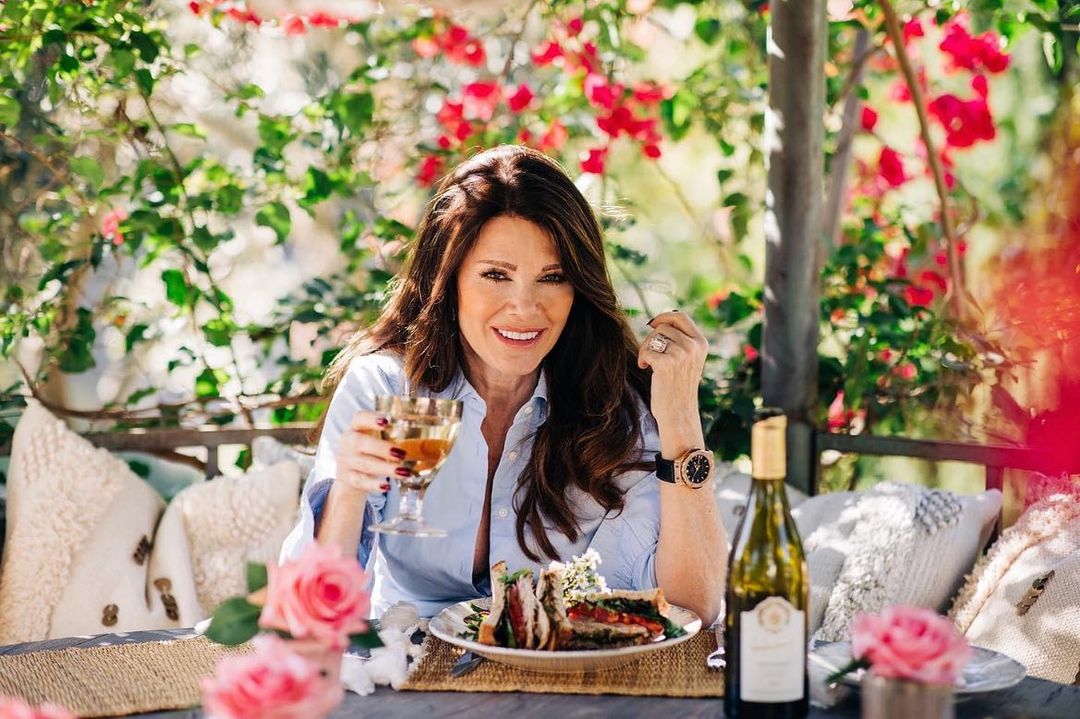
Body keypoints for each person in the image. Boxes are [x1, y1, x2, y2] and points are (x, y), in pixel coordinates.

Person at [280, 144, 726, 623]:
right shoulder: (387, 389)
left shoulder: (610, 404)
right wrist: (349, 493)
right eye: (496, 275)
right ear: (448, 278)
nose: (525, 307)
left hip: (555, 659)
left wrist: (680, 415)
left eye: (551, 278)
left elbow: (691, 607)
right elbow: (308, 614)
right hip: (407, 655)